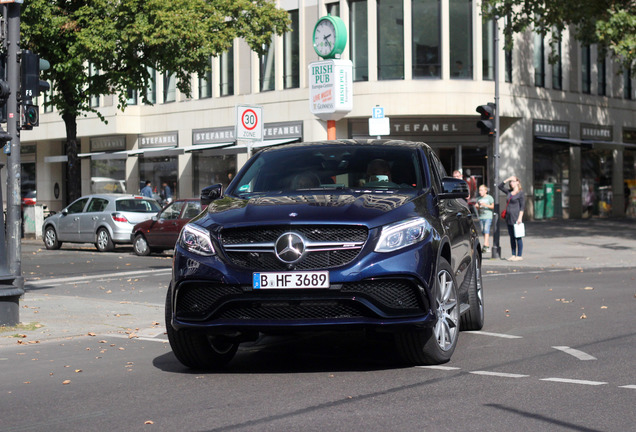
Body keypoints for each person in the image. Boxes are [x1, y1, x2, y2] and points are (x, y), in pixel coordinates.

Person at [498, 175, 525, 261]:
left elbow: (522, 207)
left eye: (513, 181)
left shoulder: (520, 193)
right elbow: (500, 186)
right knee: (512, 237)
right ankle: (513, 254)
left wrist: (520, 218)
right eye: (511, 182)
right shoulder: (509, 192)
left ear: (518, 182)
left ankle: (519, 255)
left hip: (516, 217)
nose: (511, 183)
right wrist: (508, 179)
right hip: (508, 217)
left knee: (518, 236)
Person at [475, 184, 494, 254]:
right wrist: (477, 206)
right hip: (481, 216)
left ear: (486, 191)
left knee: (486, 230)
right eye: (479, 190)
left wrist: (485, 205)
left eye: (482, 190)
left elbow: (492, 206)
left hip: (488, 216)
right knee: (483, 231)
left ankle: (485, 245)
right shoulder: (478, 198)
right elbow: (478, 208)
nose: (480, 192)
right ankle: (487, 245)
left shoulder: (489, 198)